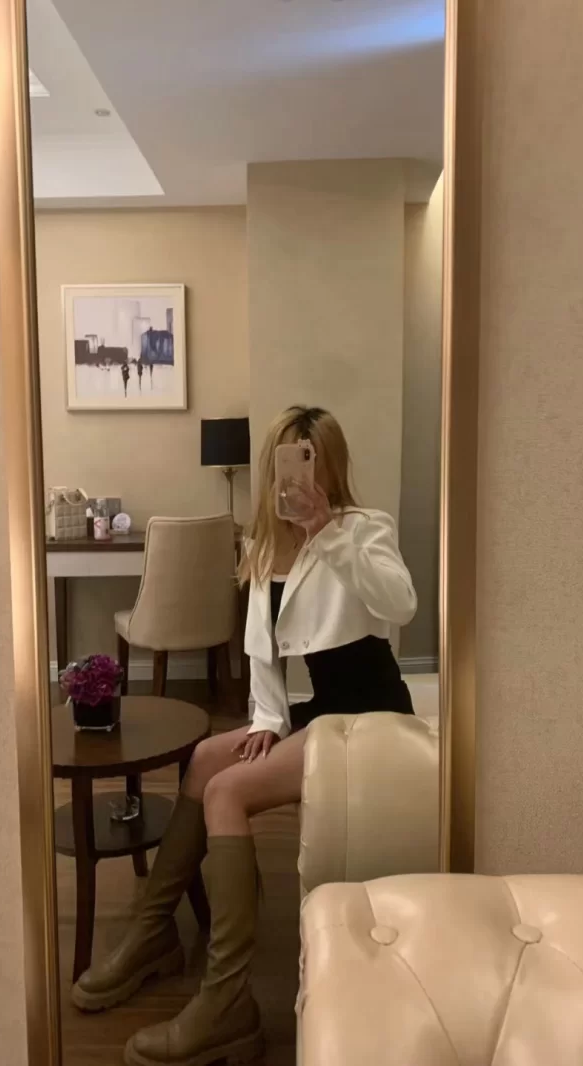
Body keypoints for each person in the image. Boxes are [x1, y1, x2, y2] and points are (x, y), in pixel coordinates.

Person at [72, 405, 417, 1066]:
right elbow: (265, 659)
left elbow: (400, 604)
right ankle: (153, 932)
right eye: (289, 464)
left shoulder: (363, 529)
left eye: (312, 463)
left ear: (331, 467)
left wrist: (327, 533)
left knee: (227, 794)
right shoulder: (262, 549)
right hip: (321, 715)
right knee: (208, 759)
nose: (299, 479)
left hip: (372, 719)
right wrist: (265, 723)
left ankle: (227, 997)